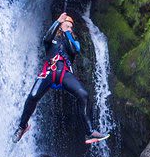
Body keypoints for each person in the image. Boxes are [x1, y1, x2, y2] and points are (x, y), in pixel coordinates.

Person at [13, 13, 109, 144]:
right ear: (59, 26)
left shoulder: (73, 42)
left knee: (84, 95)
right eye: (66, 25)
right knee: (33, 96)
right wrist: (58, 21)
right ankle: (22, 126)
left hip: (65, 74)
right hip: (49, 72)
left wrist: (66, 31)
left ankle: (90, 132)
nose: (69, 27)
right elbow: (46, 38)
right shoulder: (51, 40)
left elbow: (74, 50)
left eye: (71, 26)